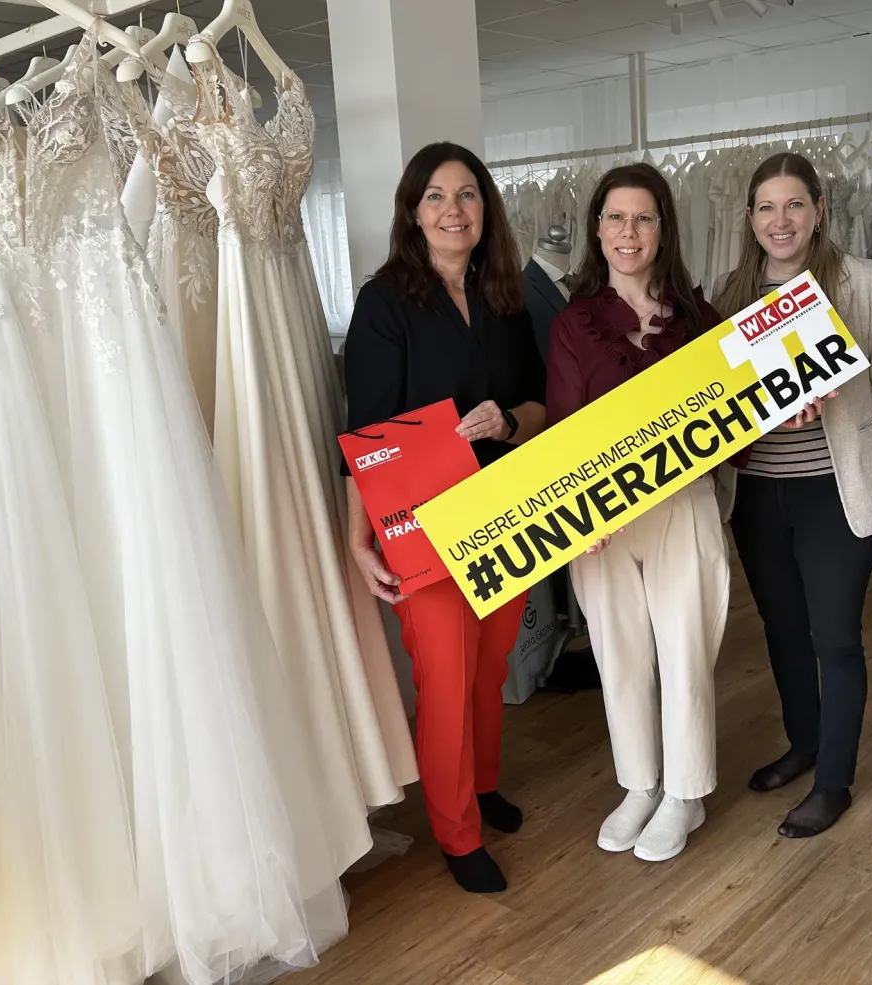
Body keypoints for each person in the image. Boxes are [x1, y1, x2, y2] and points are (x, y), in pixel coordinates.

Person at [342, 142, 547, 894]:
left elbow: (539, 401)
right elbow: (366, 432)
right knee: (446, 674)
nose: (453, 209)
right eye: (436, 196)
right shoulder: (385, 302)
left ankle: (483, 784)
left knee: (491, 665)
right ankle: (458, 832)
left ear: (484, 207)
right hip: (420, 522)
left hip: (507, 509)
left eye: (466, 194)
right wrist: (357, 538)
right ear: (413, 211)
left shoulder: (507, 295)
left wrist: (510, 423)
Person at [713, 152, 872, 838]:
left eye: (794, 204)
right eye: (767, 207)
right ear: (750, 218)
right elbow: (717, 401)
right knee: (782, 631)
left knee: (834, 637)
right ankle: (804, 743)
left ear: (819, 207)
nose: (781, 220)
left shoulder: (861, 283)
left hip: (838, 491)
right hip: (758, 495)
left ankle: (834, 780)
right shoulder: (728, 294)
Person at [547, 163, 729, 863]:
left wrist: (791, 405)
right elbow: (563, 426)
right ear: (597, 230)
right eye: (616, 218)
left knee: (686, 648)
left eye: (644, 218)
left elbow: (736, 415)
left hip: (681, 504)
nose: (630, 232)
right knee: (619, 652)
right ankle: (640, 784)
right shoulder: (573, 322)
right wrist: (576, 515)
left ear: (663, 229)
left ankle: (687, 791)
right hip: (601, 521)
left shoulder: (699, 317)